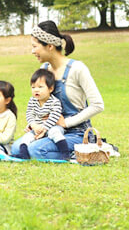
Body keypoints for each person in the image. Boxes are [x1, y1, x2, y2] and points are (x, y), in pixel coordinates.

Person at [11, 21, 104, 160]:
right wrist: (35, 124)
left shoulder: (77, 69)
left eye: (35, 46)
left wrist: (66, 123)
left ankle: (82, 150)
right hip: (49, 130)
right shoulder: (44, 69)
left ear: (49, 46)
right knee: (16, 148)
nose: (32, 51)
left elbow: (98, 105)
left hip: (77, 132)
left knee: (36, 150)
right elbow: (41, 102)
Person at [15, 69, 70, 160]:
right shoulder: (32, 101)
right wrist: (33, 125)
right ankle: (24, 155)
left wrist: (44, 128)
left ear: (50, 89)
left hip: (51, 126)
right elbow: (29, 113)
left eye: (40, 87)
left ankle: (65, 153)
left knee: (55, 133)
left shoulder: (54, 102)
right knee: (26, 137)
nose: (36, 90)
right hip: (37, 127)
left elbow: (54, 116)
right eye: (33, 87)